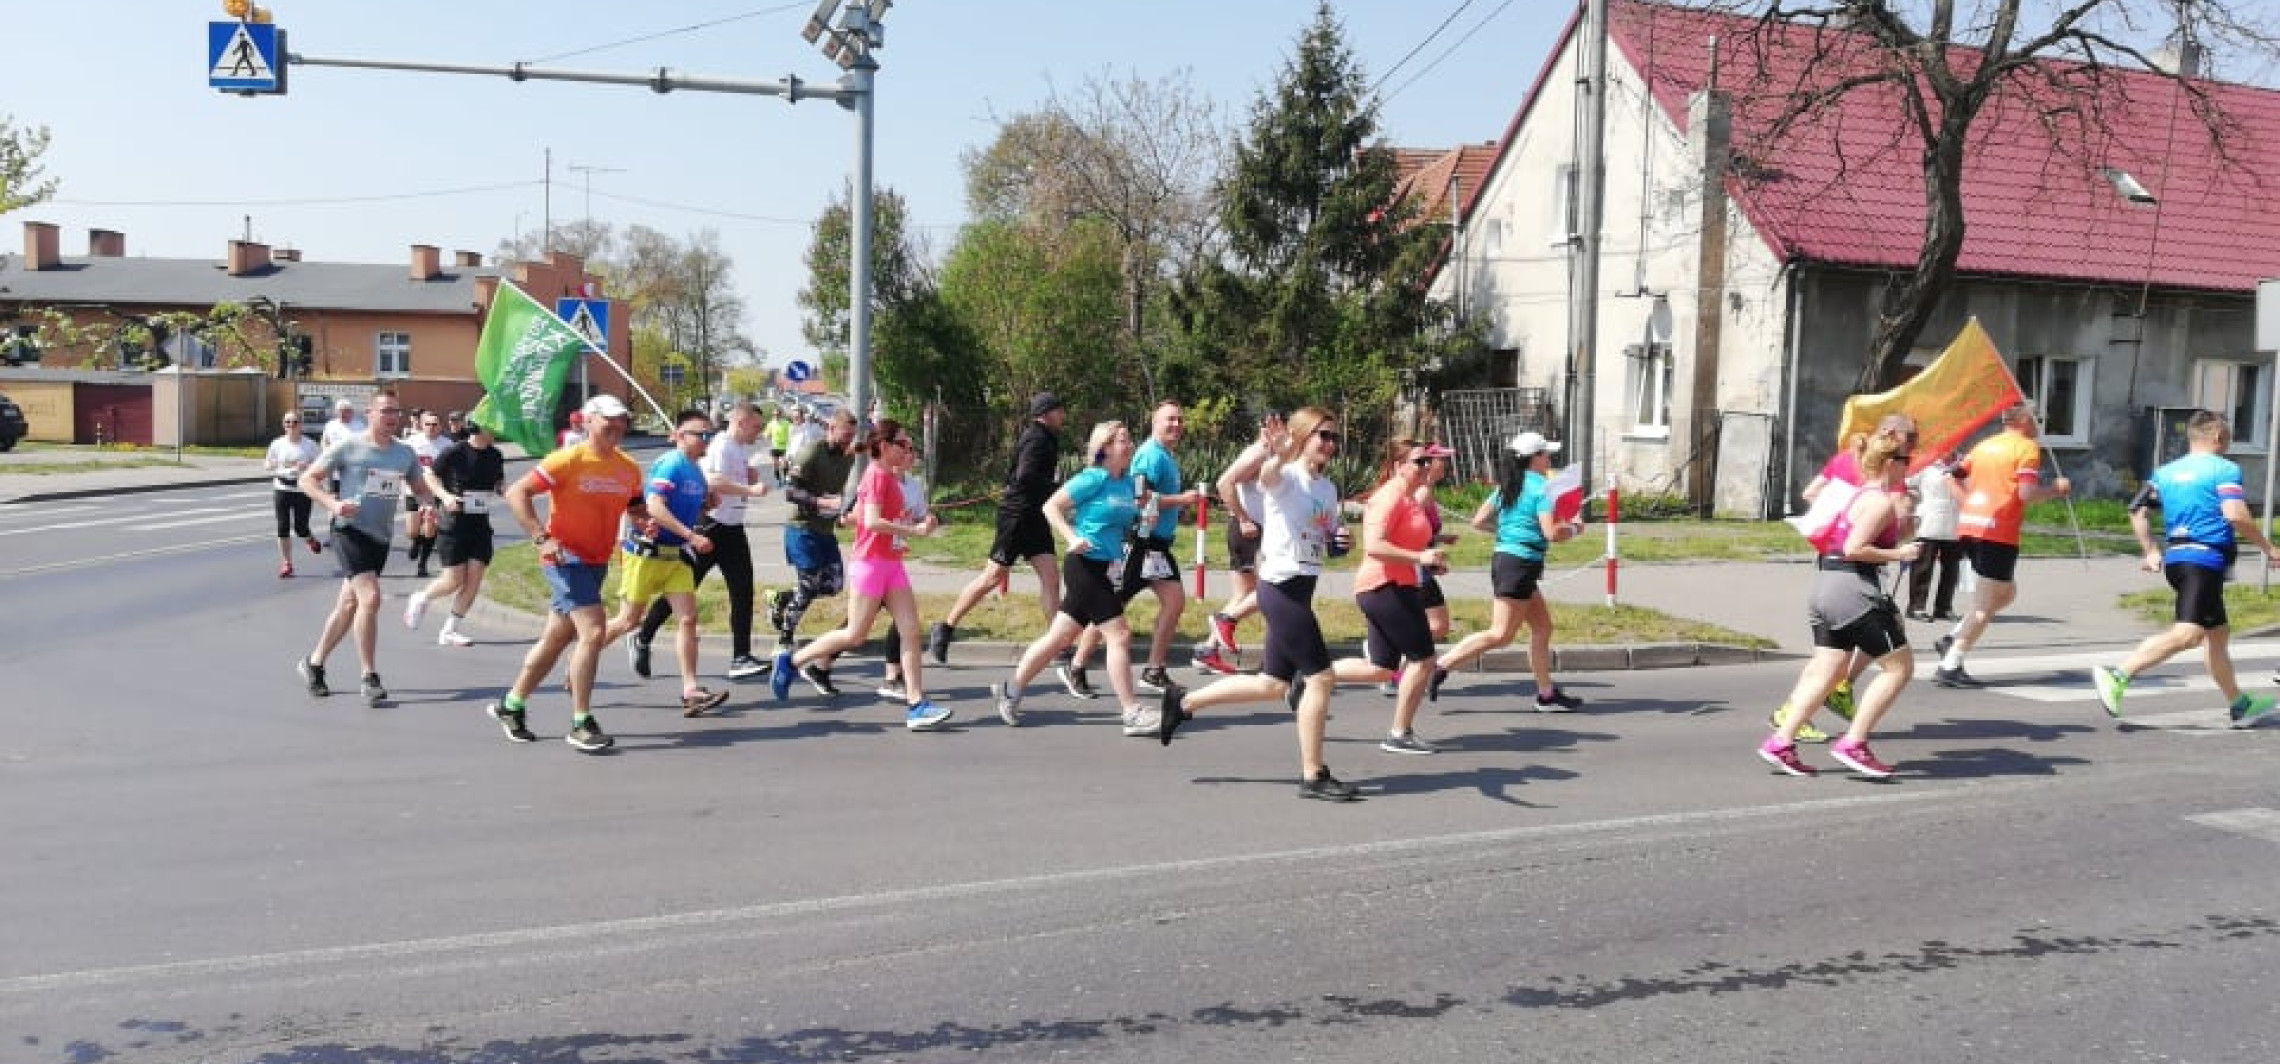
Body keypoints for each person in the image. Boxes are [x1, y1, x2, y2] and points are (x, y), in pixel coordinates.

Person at [1156, 408, 1362, 802]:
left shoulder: (1327, 489)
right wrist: (1281, 452)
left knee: (1273, 684)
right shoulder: (1285, 477)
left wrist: (1340, 542)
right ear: (1302, 436)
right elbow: (1267, 477)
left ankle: (1184, 702)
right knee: (1320, 678)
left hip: (1302, 586)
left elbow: (1328, 537)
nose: (1332, 445)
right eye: (1324, 436)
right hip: (1280, 589)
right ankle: (1313, 774)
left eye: (1336, 438)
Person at [2092, 410, 2279, 726]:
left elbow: (2137, 509)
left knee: (2217, 634)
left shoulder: (2165, 472)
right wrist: (2269, 547)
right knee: (2189, 633)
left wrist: (2151, 550)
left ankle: (2240, 704)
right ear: (2218, 436)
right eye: (2229, 435)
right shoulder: (2225, 469)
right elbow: (2235, 515)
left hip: (2178, 558)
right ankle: (2118, 674)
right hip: (2204, 560)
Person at [485, 394, 646, 752]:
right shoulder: (567, 460)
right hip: (565, 557)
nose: (617, 428)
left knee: (557, 637)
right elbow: (517, 492)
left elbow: (635, 507)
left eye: (622, 422)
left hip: (596, 559)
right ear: (587, 421)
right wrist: (541, 537)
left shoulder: (628, 467)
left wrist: (645, 522)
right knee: (594, 631)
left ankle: (511, 705)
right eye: (609, 421)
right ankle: (581, 722)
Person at [770, 419, 953, 731]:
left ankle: (916, 704)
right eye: (903, 444)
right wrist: (913, 530)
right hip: (870, 564)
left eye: (910, 445)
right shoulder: (877, 475)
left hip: (892, 563)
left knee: (910, 630)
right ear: (884, 447)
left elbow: (889, 515)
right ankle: (793, 660)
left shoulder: (893, 479)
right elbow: (871, 521)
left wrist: (924, 521)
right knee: (855, 635)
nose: (909, 450)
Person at [1759, 427, 1921, 777]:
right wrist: (1899, 553)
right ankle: (1854, 743)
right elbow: (1855, 548)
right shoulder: (1878, 501)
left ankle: (1781, 741)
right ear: (1891, 463)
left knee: (1829, 671)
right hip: (1853, 590)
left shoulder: (1859, 495)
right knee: (1900, 668)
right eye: (1906, 460)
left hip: (1827, 586)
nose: (1909, 467)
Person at [991, 421, 1154, 733]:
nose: (1130, 445)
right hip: (1084, 565)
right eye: (1123, 440)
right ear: (1104, 448)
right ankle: (1131, 711)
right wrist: (1070, 537)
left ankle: (1010, 691)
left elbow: (1141, 519)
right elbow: (1050, 507)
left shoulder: (1131, 483)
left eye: (1130, 440)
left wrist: (1145, 522)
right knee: (1119, 635)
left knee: (1060, 637)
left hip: (1107, 566)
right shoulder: (1092, 478)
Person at [1426, 432, 1589, 712]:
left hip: (1510, 561)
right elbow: (1552, 532)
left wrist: (1509, 533)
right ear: (1534, 458)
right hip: (1519, 566)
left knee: (1542, 628)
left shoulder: (1509, 485)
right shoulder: (1543, 489)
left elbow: (1478, 521)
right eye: (1546, 454)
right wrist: (1575, 527)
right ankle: (1441, 666)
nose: (1550, 459)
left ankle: (1546, 694)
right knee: (1500, 634)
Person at [294, 390, 435, 707]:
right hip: (348, 531)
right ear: (369, 413)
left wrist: (428, 506)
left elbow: (421, 489)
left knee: (348, 606)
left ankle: (314, 663)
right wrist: (333, 503)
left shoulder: (404, 453)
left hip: (379, 537)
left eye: (396, 412)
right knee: (370, 598)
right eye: (385, 411)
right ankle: (369, 676)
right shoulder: (349, 446)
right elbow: (308, 479)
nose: (391, 417)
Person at [1064, 401, 1202, 696]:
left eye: (1180, 420)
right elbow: (1141, 497)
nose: (1176, 425)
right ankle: (1077, 665)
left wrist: (1177, 509)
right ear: (1154, 423)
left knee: (1174, 601)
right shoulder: (1151, 456)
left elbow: (1152, 498)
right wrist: (1181, 501)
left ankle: (1154, 670)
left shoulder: (1166, 455)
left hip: (1158, 546)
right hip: (1140, 543)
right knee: (1111, 609)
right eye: (1170, 420)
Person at [602, 409, 733, 718]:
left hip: (676, 559)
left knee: (688, 619)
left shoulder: (696, 470)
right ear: (679, 435)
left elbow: (691, 510)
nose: (706, 440)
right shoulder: (670, 463)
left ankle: (690, 690)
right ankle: (582, 658)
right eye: (700, 434)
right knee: (628, 620)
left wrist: (706, 505)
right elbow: (654, 506)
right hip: (647, 554)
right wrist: (692, 535)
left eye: (709, 435)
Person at [631, 401, 772, 683]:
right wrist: (749, 489)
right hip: (710, 527)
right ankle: (643, 635)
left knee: (742, 590)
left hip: (733, 528)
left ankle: (740, 657)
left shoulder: (737, 449)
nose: (759, 432)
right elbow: (712, 479)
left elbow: (720, 482)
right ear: (741, 422)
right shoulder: (720, 445)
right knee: (683, 589)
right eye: (755, 426)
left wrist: (748, 476)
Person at [1934, 403, 2072, 687]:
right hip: (1998, 531)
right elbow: (2026, 493)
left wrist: (1967, 503)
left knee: (2006, 593)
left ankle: (1954, 636)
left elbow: (1952, 474)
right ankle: (1951, 663)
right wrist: (2056, 490)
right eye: (2039, 418)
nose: (2040, 424)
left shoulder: (1984, 446)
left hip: (1971, 526)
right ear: (2024, 420)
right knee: (1985, 606)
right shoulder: (2027, 448)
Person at [1331, 437, 1452, 753]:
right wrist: (1419, 559)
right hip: (1384, 587)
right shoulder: (1389, 496)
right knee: (1423, 659)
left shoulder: (1412, 498)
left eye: (1428, 460)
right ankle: (1400, 733)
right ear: (1399, 466)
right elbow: (1374, 545)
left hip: (1400, 585)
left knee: (1383, 668)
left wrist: (1430, 561)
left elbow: (1409, 542)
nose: (1426, 466)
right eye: (1418, 461)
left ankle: (1313, 677)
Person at [931, 392, 1067, 666]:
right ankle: (945, 627)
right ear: (1045, 413)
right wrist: (1059, 489)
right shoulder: (1036, 438)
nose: (1064, 415)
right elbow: (1025, 476)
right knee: (992, 577)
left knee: (1051, 578)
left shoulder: (1046, 438)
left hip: (1036, 517)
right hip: (1017, 517)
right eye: (1059, 410)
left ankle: (1057, 644)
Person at [767, 409, 858, 683]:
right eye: (843, 437)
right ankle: (785, 639)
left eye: (851, 438)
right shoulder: (810, 453)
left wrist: (843, 512)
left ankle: (781, 599)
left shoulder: (850, 454)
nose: (847, 443)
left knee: (833, 585)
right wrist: (821, 503)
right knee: (808, 587)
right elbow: (790, 492)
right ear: (831, 429)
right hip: (802, 529)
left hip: (826, 530)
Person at [404, 419, 506, 647]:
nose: (497, 433)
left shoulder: (495, 455)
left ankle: (449, 630)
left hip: (480, 523)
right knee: (453, 580)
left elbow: (498, 480)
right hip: (454, 522)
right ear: (481, 428)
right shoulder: (455, 451)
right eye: (494, 428)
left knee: (475, 577)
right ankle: (421, 598)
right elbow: (429, 476)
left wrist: (502, 489)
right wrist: (446, 497)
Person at [1192, 430, 1271, 676]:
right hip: (1250, 531)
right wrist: (1244, 518)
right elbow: (1224, 482)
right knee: (1272, 589)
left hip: (1252, 530)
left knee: (1244, 594)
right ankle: (1227, 621)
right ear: (1265, 429)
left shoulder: (1269, 454)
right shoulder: (1259, 453)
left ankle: (1208, 651)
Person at [1905, 449, 1965, 621]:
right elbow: (1906, 482)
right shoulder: (1927, 465)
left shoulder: (1964, 464)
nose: (1951, 448)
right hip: (1929, 520)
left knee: (1951, 569)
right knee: (1923, 567)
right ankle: (1916, 607)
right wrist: (1912, 500)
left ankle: (1944, 607)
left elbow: (1972, 485)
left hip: (1955, 521)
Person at [264, 411, 323, 578]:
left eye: (294, 422)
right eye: (287, 422)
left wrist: (308, 466)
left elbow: (321, 464)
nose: (291, 425)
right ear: (283, 425)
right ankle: (286, 563)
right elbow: (267, 463)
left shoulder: (309, 445)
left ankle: (310, 539)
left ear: (301, 425)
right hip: (282, 488)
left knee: (300, 528)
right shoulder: (277, 444)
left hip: (302, 489)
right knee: (282, 527)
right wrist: (272, 465)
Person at [402, 410, 450, 578]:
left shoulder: (447, 445)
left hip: (434, 493)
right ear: (421, 425)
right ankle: (416, 541)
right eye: (427, 424)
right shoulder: (411, 443)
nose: (431, 428)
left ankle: (422, 564)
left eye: (434, 424)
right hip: (414, 490)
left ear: (440, 426)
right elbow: (402, 464)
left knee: (430, 529)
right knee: (412, 531)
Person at [765, 408, 794, 481]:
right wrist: (767, 435)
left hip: (784, 447)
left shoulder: (786, 423)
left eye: (777, 414)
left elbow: (792, 431)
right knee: (775, 465)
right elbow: (767, 434)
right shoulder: (770, 423)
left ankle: (785, 478)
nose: (776, 416)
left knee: (784, 464)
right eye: (774, 415)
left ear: (781, 415)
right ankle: (778, 480)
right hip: (774, 447)